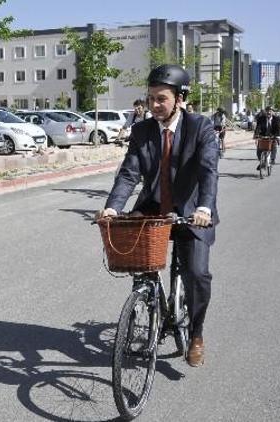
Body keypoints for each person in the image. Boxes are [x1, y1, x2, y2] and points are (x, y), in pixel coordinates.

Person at [95, 64, 219, 367]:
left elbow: (208, 171)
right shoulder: (142, 130)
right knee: (136, 257)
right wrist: (113, 207)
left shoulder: (199, 127)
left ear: (180, 98)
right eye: (150, 98)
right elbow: (129, 174)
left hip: (191, 213)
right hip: (154, 208)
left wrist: (204, 207)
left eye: (161, 99)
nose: (154, 105)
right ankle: (147, 300)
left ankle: (196, 333)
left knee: (197, 274)